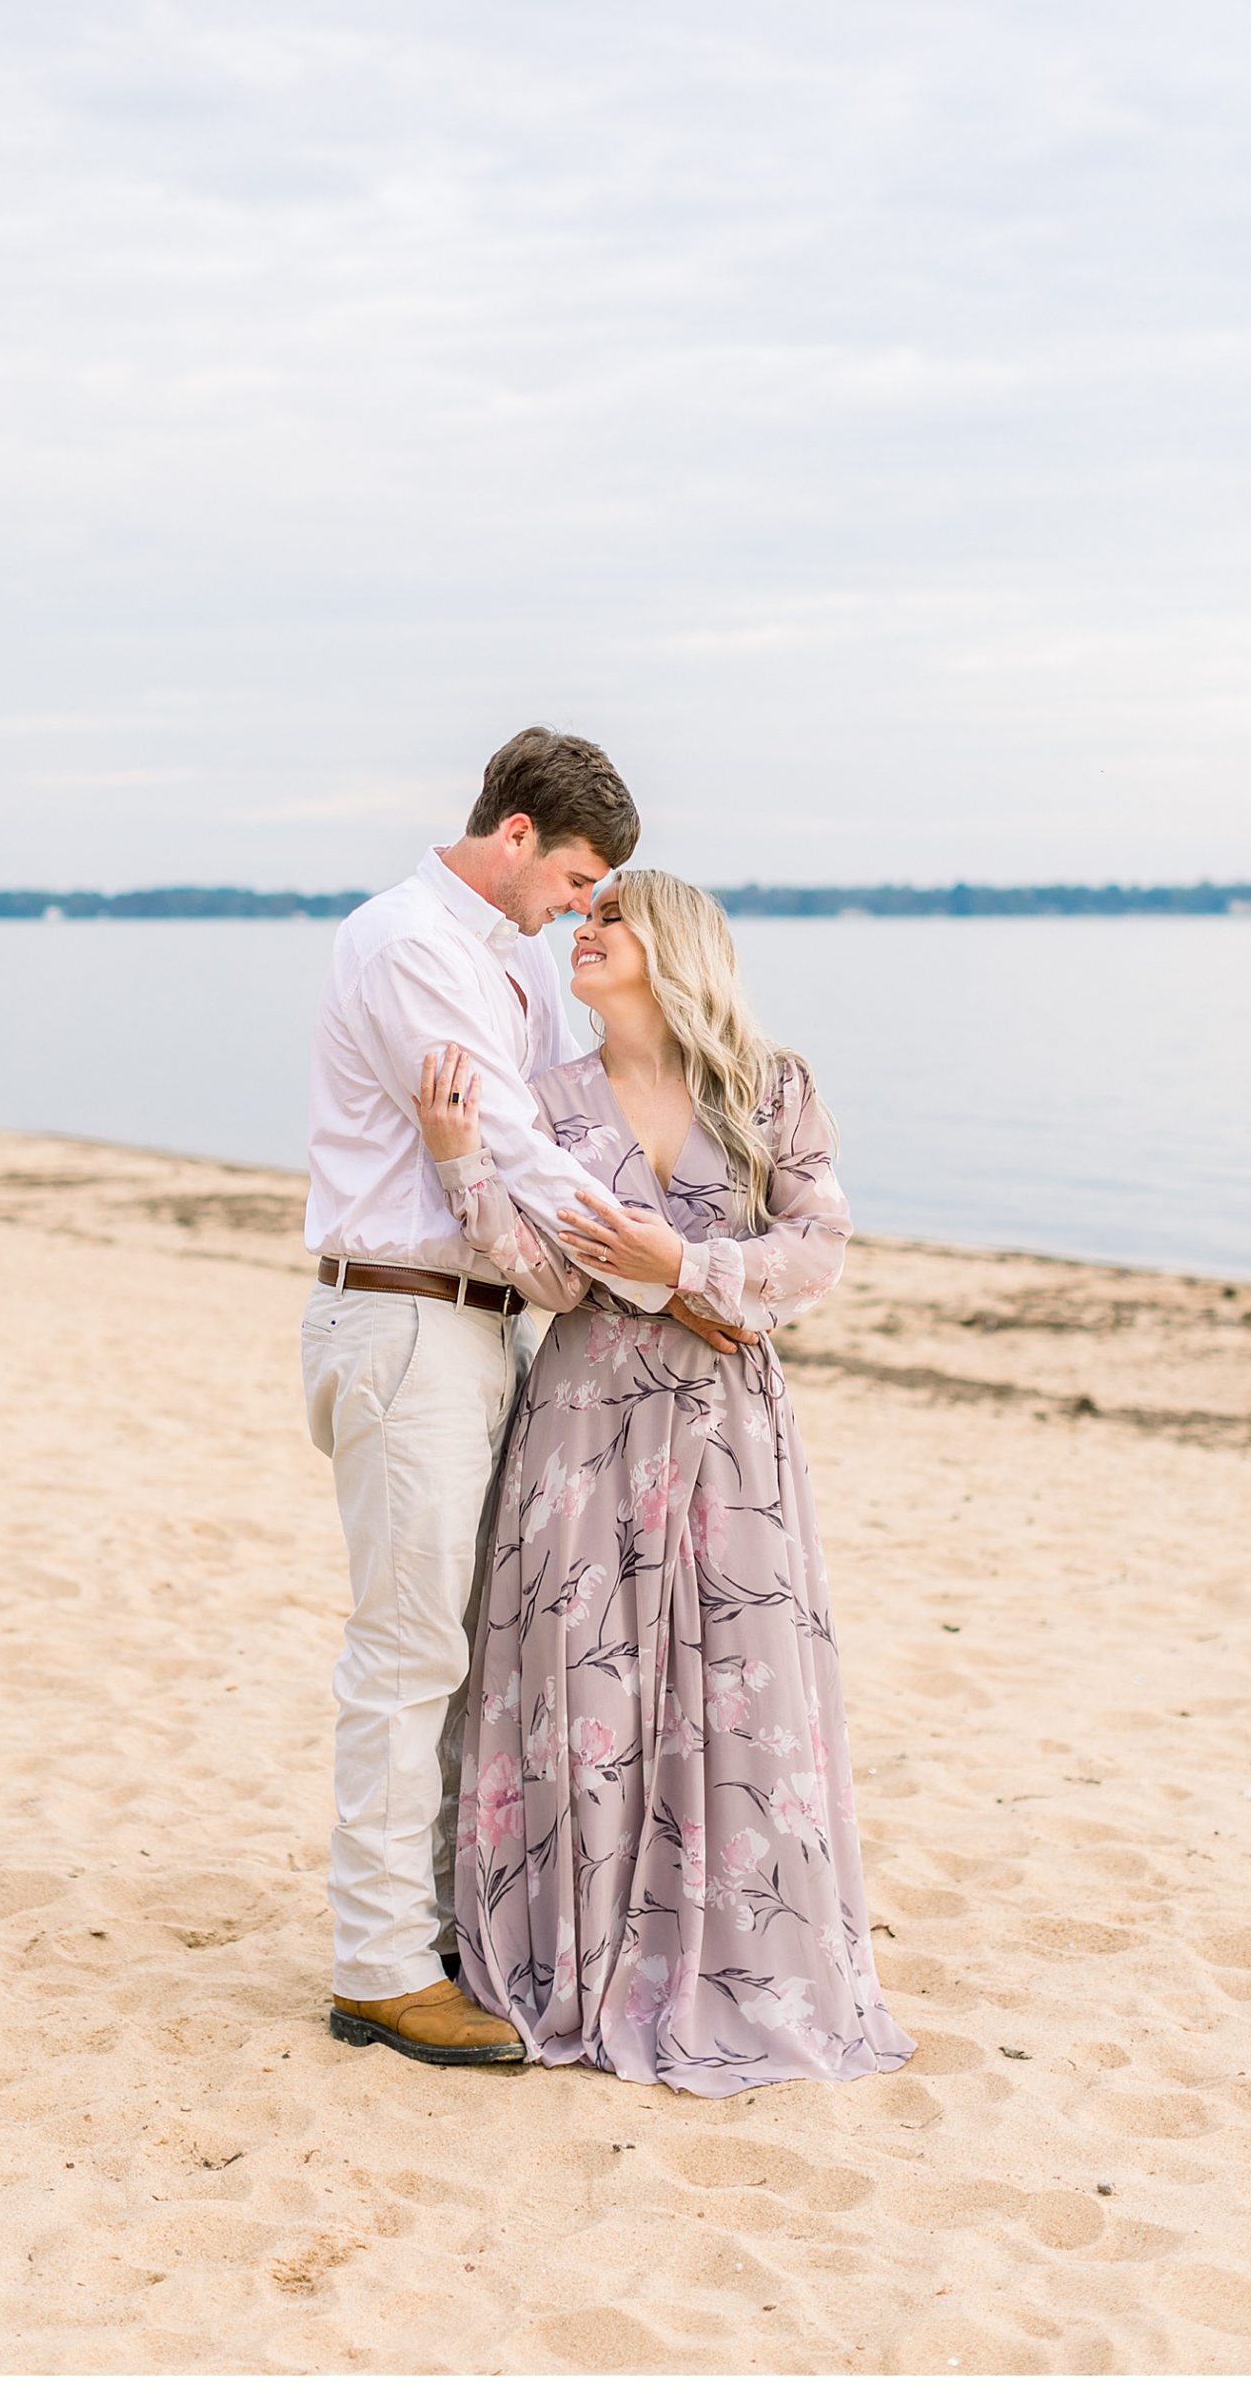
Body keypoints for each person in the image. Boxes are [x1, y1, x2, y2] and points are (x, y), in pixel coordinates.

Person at [415, 869, 916, 2095]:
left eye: (607, 919)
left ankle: (726, 1958)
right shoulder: (547, 1102)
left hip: (729, 1433)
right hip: (582, 1425)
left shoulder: (770, 1086)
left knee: (732, 1686)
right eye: (579, 916)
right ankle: (574, 1946)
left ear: (673, 944)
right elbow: (545, 1275)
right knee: (575, 1688)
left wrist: (678, 1256)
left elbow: (818, 1253)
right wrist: (461, 1160)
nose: (580, 935)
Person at [300, 731, 752, 2068]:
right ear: (513, 838)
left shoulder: (500, 961)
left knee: (466, 1650)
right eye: (573, 879)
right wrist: (672, 1273)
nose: (577, 908)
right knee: (409, 1654)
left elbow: (545, 1147)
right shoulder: (410, 946)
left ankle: (439, 1925)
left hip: (479, 1326)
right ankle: (379, 1968)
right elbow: (514, 1149)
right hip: (405, 1318)